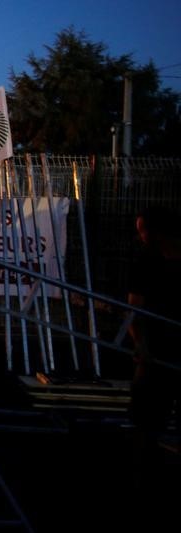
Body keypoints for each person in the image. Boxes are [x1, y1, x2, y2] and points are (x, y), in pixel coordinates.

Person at [126, 205, 181, 492]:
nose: (141, 237)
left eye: (143, 231)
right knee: (147, 415)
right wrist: (142, 345)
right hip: (157, 346)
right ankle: (144, 473)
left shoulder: (158, 258)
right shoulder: (146, 260)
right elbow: (135, 306)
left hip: (170, 342)